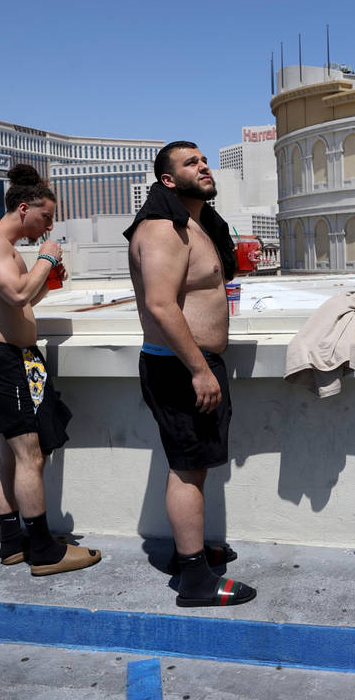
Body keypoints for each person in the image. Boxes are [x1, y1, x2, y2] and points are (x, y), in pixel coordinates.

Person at [125, 141, 256, 607]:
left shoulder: (195, 225)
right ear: (167, 180)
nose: (202, 167)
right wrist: (200, 371)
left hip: (194, 362)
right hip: (180, 365)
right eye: (190, 163)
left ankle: (191, 552)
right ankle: (195, 578)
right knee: (186, 470)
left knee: (194, 466)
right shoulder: (163, 230)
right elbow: (161, 306)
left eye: (203, 160)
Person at [0, 164, 101, 576]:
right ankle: (43, 549)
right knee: (30, 456)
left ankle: (12, 542)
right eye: (46, 216)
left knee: (9, 455)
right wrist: (46, 258)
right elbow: (16, 291)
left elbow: (24, 302)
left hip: (15, 360)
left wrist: (48, 276)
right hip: (5, 362)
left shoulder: (5, 249)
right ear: (24, 209)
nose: (49, 225)